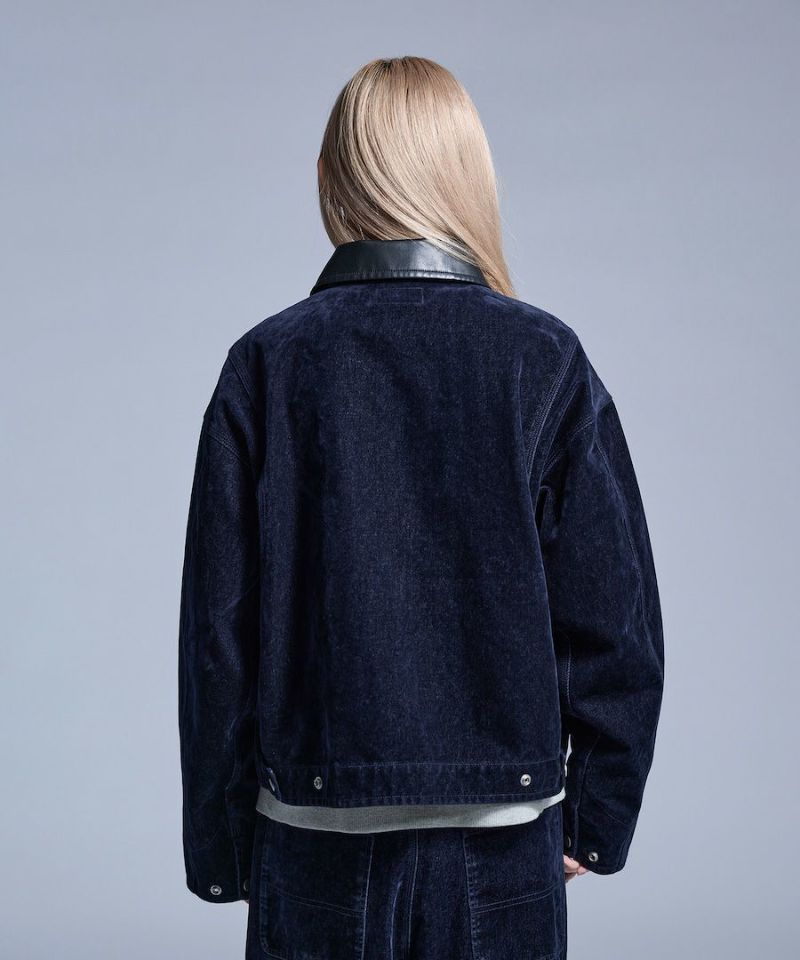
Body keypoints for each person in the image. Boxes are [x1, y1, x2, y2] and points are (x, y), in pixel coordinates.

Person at [178, 56, 665, 960]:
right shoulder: (542, 358)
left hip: (312, 840)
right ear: (468, 177)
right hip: (502, 849)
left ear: (331, 179)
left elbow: (219, 636)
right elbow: (615, 618)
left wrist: (222, 845)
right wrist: (597, 818)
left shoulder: (266, 364)